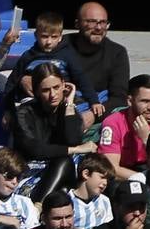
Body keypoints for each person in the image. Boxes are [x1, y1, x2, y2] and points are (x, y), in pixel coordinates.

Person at [9, 64, 91, 201]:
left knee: (69, 166)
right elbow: (35, 149)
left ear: (64, 85)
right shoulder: (24, 112)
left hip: (63, 170)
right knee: (64, 168)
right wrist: (75, 149)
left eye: (57, 87)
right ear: (37, 92)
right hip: (31, 171)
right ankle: (39, 206)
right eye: (46, 90)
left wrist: (70, 103)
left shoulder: (69, 111)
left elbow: (73, 139)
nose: (53, 94)